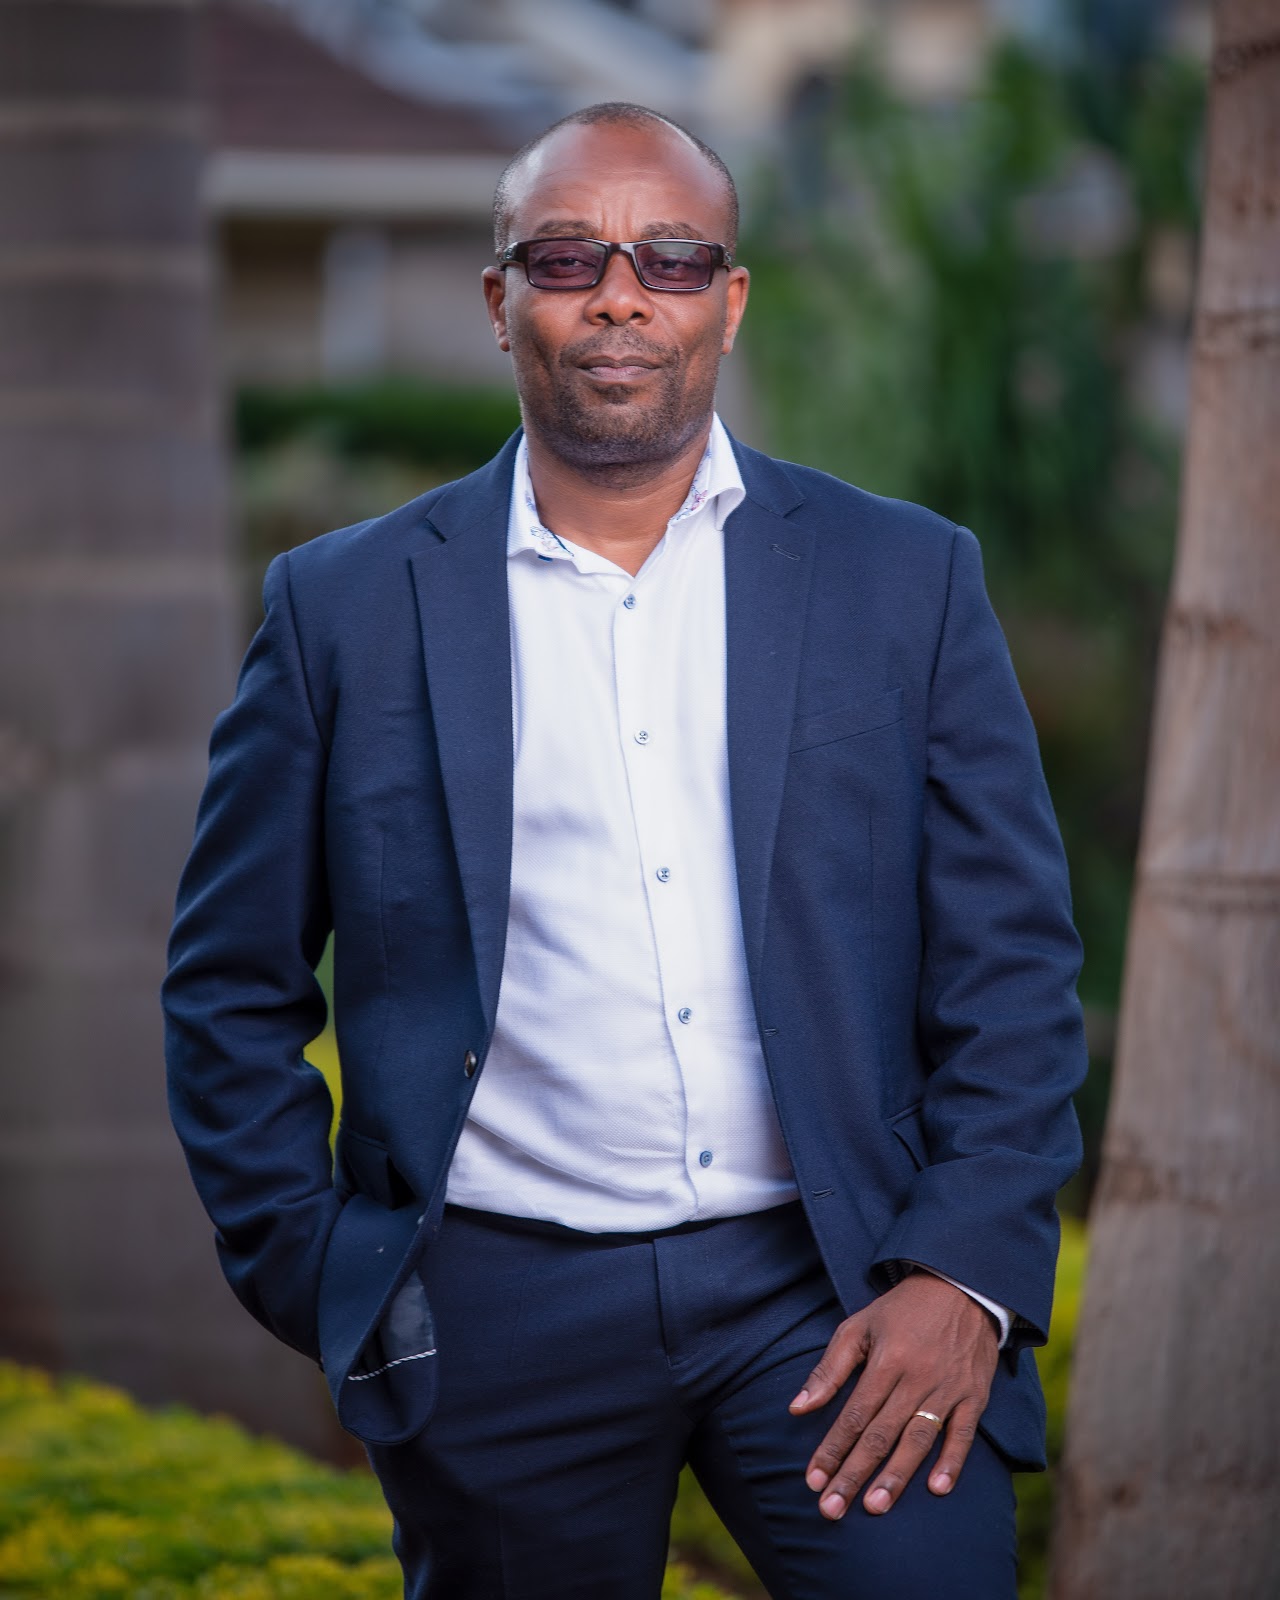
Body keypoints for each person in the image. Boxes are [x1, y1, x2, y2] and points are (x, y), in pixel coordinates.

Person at [163, 102, 1086, 1599]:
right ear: (500, 300)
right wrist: (330, 1274)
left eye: (670, 257)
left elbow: (1014, 963)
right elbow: (228, 981)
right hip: (495, 1314)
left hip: (838, 1281)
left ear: (729, 297)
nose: (618, 295)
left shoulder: (904, 578)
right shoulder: (342, 609)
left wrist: (962, 1274)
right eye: (565, 257)